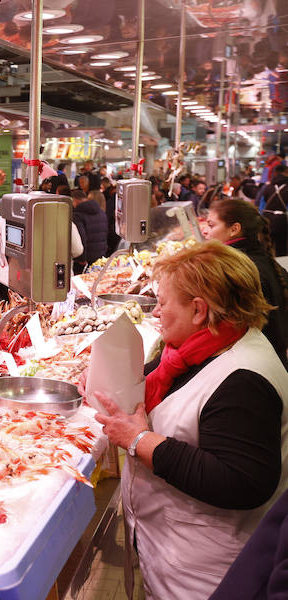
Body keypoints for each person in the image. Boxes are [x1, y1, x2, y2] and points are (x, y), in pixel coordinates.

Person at [92, 241, 288, 600]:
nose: (155, 314)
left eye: (163, 304)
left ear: (199, 310)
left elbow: (243, 480)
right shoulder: (205, 346)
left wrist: (139, 440)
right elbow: (173, 382)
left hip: (210, 575)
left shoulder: (244, 380)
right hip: (177, 554)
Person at [205, 198, 288, 365]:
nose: (205, 232)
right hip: (273, 359)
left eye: (211, 225)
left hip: (253, 366)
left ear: (234, 229)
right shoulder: (263, 259)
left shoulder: (236, 269)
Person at [71, 189, 108, 274]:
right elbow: (105, 234)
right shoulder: (101, 213)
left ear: (75, 201)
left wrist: (81, 259)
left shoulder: (77, 215)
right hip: (100, 256)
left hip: (85, 260)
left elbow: (81, 237)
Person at [259, 164, 288, 255]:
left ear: (275, 173)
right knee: (282, 250)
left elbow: (261, 206)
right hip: (282, 222)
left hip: (267, 221)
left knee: (266, 249)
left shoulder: (267, 187)